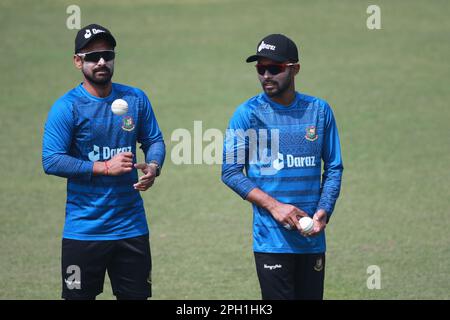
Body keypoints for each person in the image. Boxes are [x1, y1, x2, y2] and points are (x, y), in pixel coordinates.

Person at [42, 24, 165, 300]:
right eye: (92, 56)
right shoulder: (67, 107)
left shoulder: (135, 99)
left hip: (131, 229)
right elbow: (51, 160)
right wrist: (104, 167)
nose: (101, 62)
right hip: (83, 232)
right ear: (77, 61)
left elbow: (154, 140)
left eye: (107, 55)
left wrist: (153, 166)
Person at [221, 34, 343, 300]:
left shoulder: (319, 111)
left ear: (294, 68)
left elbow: (333, 167)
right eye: (260, 69)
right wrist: (275, 207)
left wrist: (324, 210)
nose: (266, 75)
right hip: (271, 241)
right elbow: (230, 171)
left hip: (311, 239)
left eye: (274, 68)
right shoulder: (247, 115)